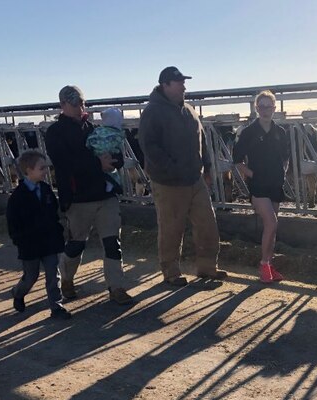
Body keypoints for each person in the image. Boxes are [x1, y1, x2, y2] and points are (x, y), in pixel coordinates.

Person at [45, 85, 134, 305]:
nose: (80, 108)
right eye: (75, 104)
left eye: (82, 103)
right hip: (78, 197)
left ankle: (116, 287)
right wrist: (98, 164)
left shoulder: (94, 128)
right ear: (63, 105)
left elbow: (116, 153)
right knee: (76, 244)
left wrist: (115, 161)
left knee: (112, 242)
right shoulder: (55, 133)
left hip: (105, 195)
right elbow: (63, 163)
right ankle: (66, 278)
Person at [138, 66, 227, 286]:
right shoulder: (152, 112)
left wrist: (207, 167)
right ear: (165, 85)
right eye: (179, 83)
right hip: (168, 182)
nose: (184, 86)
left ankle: (207, 268)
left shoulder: (189, 110)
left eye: (183, 82)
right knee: (171, 228)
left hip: (194, 179)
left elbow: (202, 139)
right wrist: (172, 169)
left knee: (207, 224)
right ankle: (171, 272)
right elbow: (149, 147)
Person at [6, 149, 71, 319]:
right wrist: (19, 240)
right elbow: (13, 223)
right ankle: (18, 293)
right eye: (41, 168)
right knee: (31, 277)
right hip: (30, 245)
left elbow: (54, 214)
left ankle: (56, 307)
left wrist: (59, 233)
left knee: (53, 274)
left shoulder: (46, 189)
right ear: (28, 170)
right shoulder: (18, 197)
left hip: (49, 241)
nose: (46, 171)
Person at [233, 90, 289, 283]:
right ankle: (264, 264)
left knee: (272, 228)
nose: (266, 110)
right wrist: (253, 175)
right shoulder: (249, 132)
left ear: (275, 108)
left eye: (269, 106)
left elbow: (285, 157)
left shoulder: (280, 132)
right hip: (258, 186)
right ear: (257, 108)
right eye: (262, 106)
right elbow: (237, 160)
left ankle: (269, 265)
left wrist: (281, 173)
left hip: (275, 184)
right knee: (271, 222)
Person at [86, 107, 125, 190]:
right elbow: (118, 145)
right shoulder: (117, 134)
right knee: (111, 169)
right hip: (108, 154)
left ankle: (108, 183)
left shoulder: (98, 130)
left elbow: (90, 139)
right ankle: (113, 184)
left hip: (96, 152)